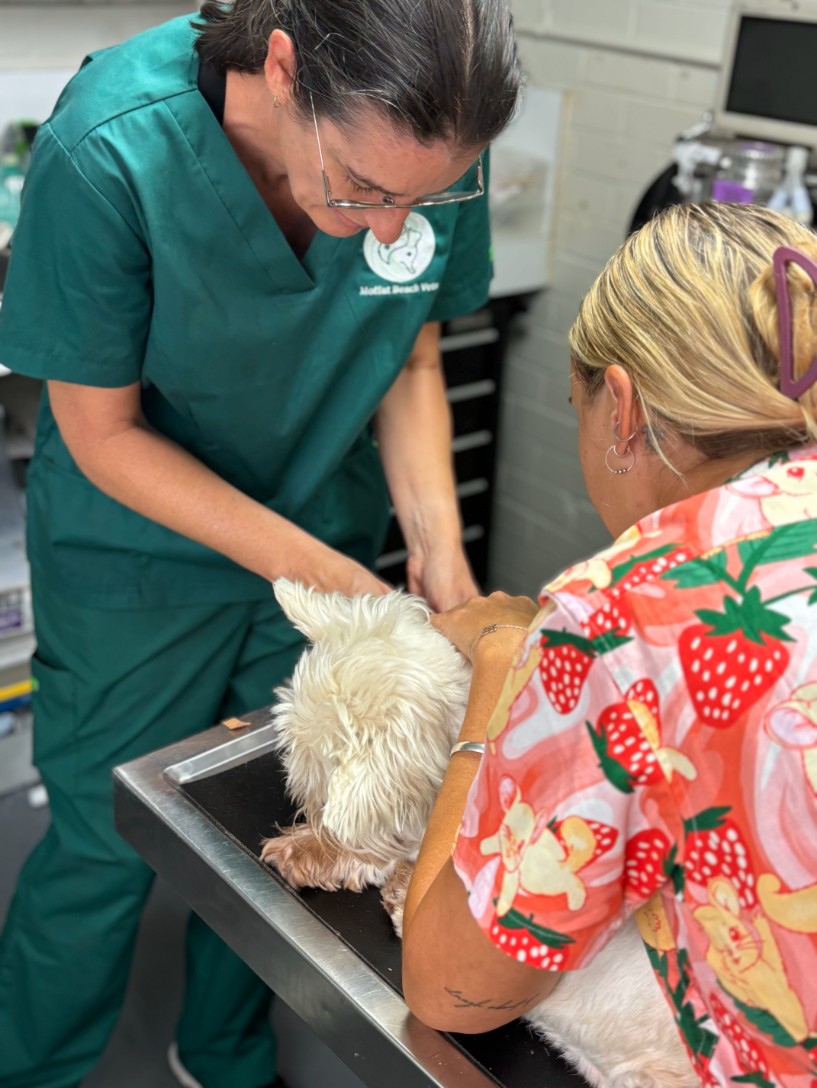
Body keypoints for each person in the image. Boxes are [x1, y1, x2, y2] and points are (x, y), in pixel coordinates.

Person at [0, 0, 522, 1085]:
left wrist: (441, 555)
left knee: (288, 826)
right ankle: (33, 1062)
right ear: (283, 69)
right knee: (103, 840)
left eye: (422, 201)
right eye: (366, 192)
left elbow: (408, 350)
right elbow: (101, 431)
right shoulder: (110, 149)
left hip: (329, 522)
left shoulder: (422, 140)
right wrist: (340, 587)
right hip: (136, 559)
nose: (393, 226)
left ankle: (224, 1053)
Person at [402, 202, 817, 1088]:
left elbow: (450, 989)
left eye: (576, 403)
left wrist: (502, 674)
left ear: (620, 406)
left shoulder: (626, 609)